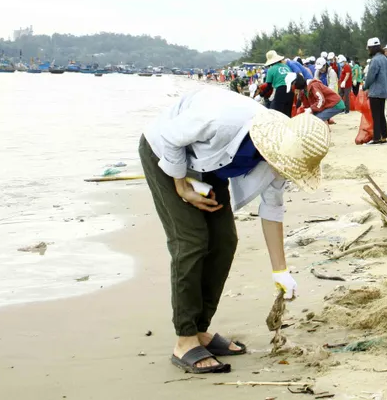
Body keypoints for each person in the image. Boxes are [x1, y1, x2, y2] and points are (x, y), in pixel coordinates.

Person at [141, 89, 330, 374]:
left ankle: (200, 329)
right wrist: (180, 186)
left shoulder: (282, 154)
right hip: (167, 154)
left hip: (207, 167)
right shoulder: (223, 121)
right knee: (191, 241)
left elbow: (272, 209)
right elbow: (169, 136)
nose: (284, 171)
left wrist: (280, 270)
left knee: (225, 241)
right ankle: (185, 338)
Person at [363, 37, 387, 145]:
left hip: (375, 91)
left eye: (369, 48)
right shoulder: (385, 59)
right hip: (384, 91)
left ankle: (376, 138)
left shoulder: (375, 60)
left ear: (372, 48)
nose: (369, 50)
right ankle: (384, 137)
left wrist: (365, 86)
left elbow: (371, 76)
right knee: (381, 114)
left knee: (376, 115)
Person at [264, 51, 296, 117]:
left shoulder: (271, 69)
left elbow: (268, 87)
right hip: (291, 90)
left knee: (277, 113)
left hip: (281, 90)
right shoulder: (286, 67)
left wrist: (262, 94)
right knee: (287, 113)